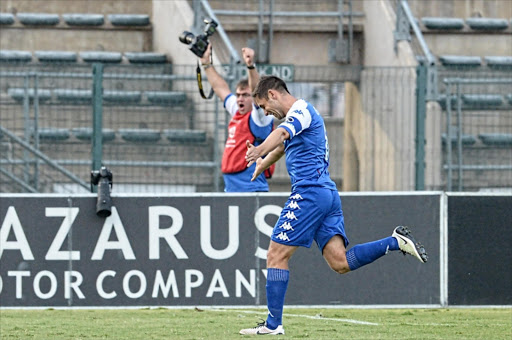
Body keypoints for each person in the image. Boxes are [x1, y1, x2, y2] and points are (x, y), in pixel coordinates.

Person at [241, 76, 428, 335]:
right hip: (326, 194)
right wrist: (264, 162)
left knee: (275, 255)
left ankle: (273, 325)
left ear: (273, 94)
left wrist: (259, 149)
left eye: (262, 105)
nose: (264, 112)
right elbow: (285, 144)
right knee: (340, 262)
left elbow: (282, 134)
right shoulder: (301, 117)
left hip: (310, 194)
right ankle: (395, 242)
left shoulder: (301, 110)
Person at [199, 44, 274, 192]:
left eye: (245, 95)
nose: (240, 99)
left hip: (251, 190)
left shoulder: (260, 117)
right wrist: (206, 63)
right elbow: (220, 87)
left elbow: (256, 92)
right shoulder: (238, 112)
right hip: (232, 188)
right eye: (238, 95)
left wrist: (251, 66)